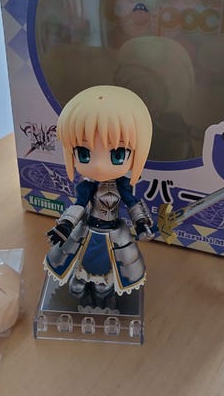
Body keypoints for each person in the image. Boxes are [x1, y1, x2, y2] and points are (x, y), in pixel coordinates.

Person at [44, 85, 153, 309]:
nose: (99, 166)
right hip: (88, 230)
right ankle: (83, 293)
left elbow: (132, 204)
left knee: (106, 278)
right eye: (84, 153)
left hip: (113, 233)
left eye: (117, 154)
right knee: (78, 278)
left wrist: (142, 223)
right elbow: (79, 205)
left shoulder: (123, 186)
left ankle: (103, 296)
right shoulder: (87, 187)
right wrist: (65, 225)